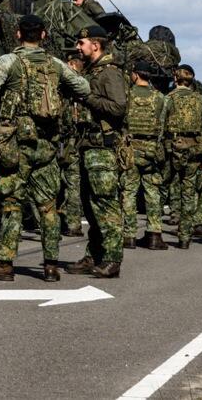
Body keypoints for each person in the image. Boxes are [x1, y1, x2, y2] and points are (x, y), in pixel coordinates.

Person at [0, 15, 90, 282]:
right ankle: (50, 265)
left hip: (15, 146)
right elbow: (83, 87)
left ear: (18, 35)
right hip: (47, 145)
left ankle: (4, 264)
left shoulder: (8, 61)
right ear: (44, 35)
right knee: (48, 206)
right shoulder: (55, 64)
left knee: (12, 203)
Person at [64, 25, 127, 278]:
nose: (78, 48)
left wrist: (87, 96)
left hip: (103, 148)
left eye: (82, 43)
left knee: (105, 204)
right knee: (91, 207)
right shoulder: (94, 71)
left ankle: (112, 258)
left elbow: (118, 107)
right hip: (87, 146)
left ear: (96, 45)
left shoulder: (109, 73)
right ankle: (95, 255)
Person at [164, 65, 202, 249]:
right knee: (189, 192)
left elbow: (159, 124)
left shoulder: (168, 99)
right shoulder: (200, 100)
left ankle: (166, 228)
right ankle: (185, 235)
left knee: (170, 188)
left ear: (175, 78)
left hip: (173, 149)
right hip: (194, 150)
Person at [123, 61, 169, 251]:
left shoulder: (127, 95)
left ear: (135, 75)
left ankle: (129, 236)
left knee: (129, 192)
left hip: (130, 148)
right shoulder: (160, 98)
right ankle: (154, 235)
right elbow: (163, 124)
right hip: (151, 150)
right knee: (153, 192)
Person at [58, 52, 86, 237]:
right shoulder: (83, 88)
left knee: (56, 184)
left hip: (61, 140)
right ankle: (74, 224)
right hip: (75, 141)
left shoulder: (60, 86)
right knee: (73, 184)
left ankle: (59, 222)